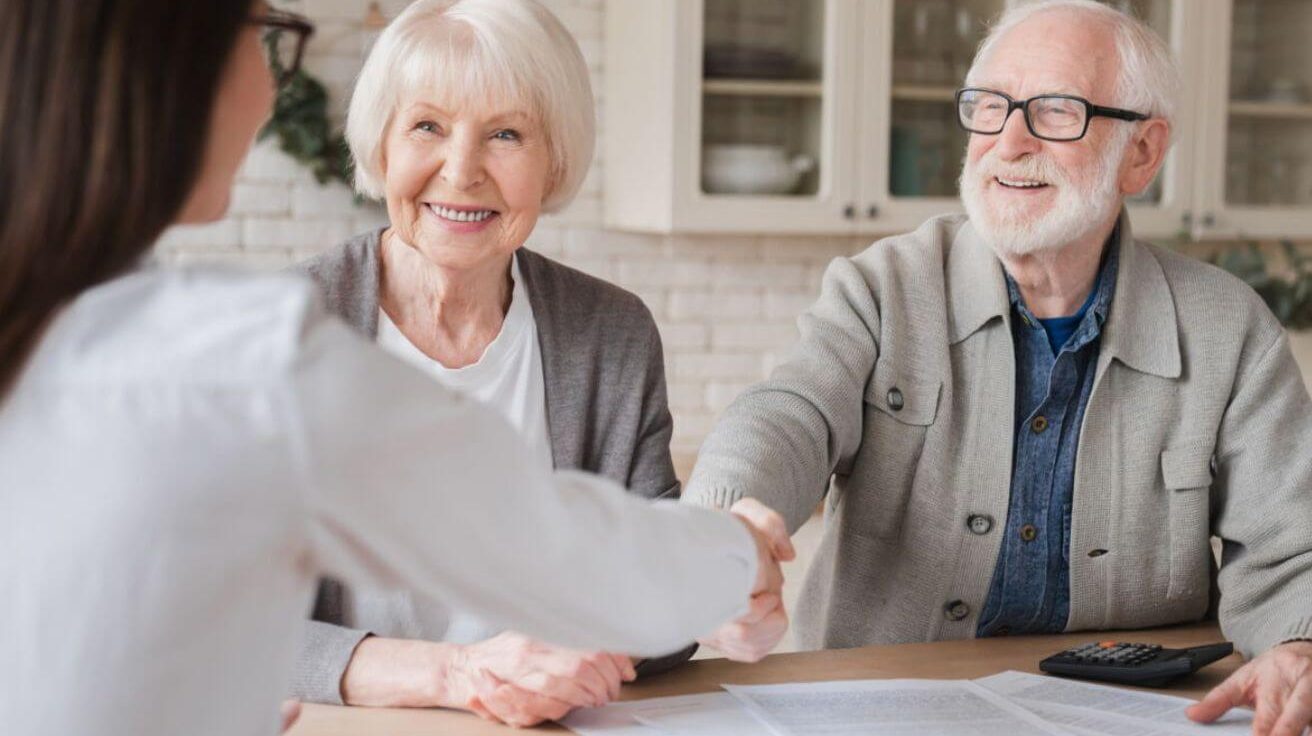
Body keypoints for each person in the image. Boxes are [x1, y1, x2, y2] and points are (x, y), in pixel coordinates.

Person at [0, 2, 793, 735]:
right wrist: (733, 556)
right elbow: (538, 542)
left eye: (507, 134)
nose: (270, 86)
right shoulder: (243, 359)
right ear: (171, 77)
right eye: (260, 31)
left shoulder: (71, 325)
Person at [684, 2, 1312, 734]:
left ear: (1142, 153)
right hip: (889, 709)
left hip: (1142, 716)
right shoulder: (882, 287)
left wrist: (1301, 643)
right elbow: (786, 413)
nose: (1007, 143)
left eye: (1054, 111)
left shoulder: (1229, 327)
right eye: (989, 108)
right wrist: (722, 525)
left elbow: (1292, 545)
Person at [286, 2, 777, 724]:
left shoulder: (610, 333)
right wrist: (460, 674)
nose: (461, 170)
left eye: (506, 134)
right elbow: (217, 623)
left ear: (554, 163)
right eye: (427, 126)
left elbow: (646, 603)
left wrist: (711, 595)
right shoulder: (283, 330)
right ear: (383, 145)